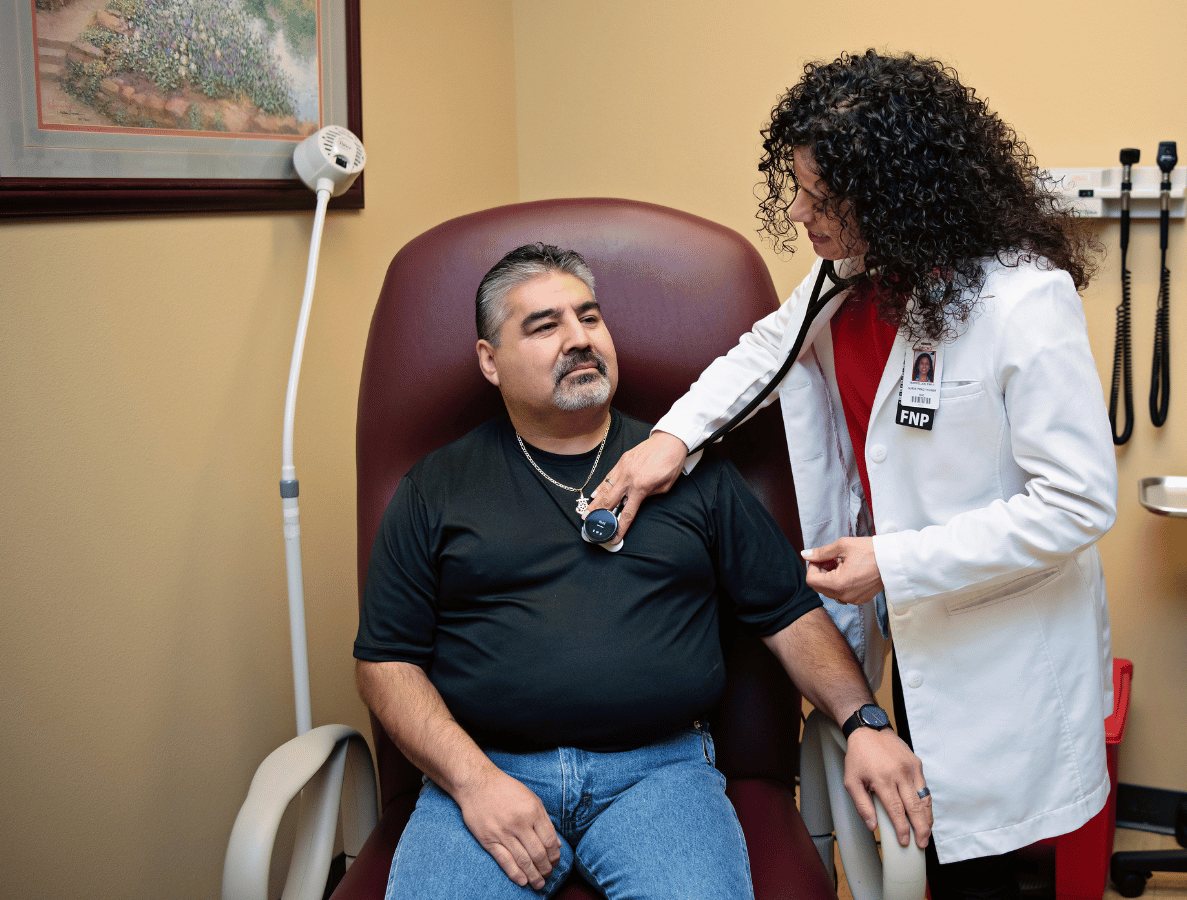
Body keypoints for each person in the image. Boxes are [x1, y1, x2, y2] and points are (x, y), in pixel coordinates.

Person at [589, 51, 1117, 900]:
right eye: (795, 188)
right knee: (930, 831)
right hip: (914, 622)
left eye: (822, 199)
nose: (798, 212)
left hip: (998, 630)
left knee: (996, 866)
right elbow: (767, 348)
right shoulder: (851, 275)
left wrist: (894, 560)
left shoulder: (1023, 302)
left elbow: (1078, 502)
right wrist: (673, 440)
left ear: (898, 194)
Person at [354, 243, 930, 900]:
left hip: (660, 773)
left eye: (590, 318)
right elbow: (386, 662)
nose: (579, 340)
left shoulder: (689, 475)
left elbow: (788, 612)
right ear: (490, 360)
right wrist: (472, 782)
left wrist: (865, 722)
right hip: (485, 769)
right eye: (545, 326)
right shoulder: (436, 487)